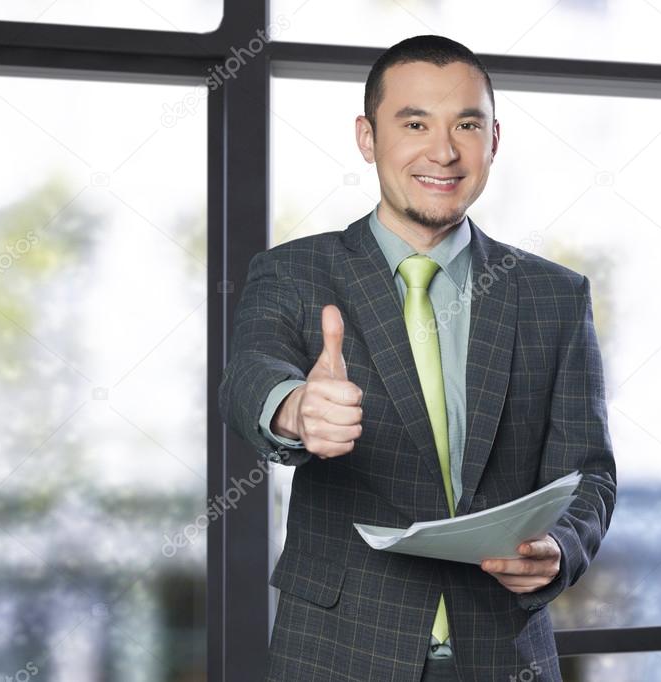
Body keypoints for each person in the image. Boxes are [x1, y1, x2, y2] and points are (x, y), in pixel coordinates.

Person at [218, 34, 616, 682]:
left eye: (466, 124)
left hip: (503, 655)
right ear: (367, 138)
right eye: (414, 123)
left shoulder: (555, 296)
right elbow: (246, 380)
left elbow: (589, 473)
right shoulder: (293, 272)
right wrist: (294, 408)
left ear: (493, 140)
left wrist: (559, 547)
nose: (443, 150)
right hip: (338, 653)